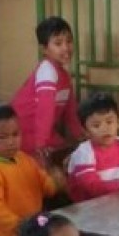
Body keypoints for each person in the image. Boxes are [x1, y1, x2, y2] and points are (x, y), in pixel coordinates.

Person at [0, 104, 62, 236]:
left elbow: (46, 188)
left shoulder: (24, 159)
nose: (11, 142)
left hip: (30, 229)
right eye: (2, 137)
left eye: (15, 134)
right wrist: (24, 228)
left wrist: (55, 180)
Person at [11, 16, 84, 163]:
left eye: (69, 41)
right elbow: (45, 110)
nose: (66, 47)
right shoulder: (47, 71)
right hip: (24, 133)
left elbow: (71, 111)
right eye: (58, 43)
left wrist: (81, 136)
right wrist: (41, 144)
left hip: (43, 132)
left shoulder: (63, 75)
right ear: (44, 49)